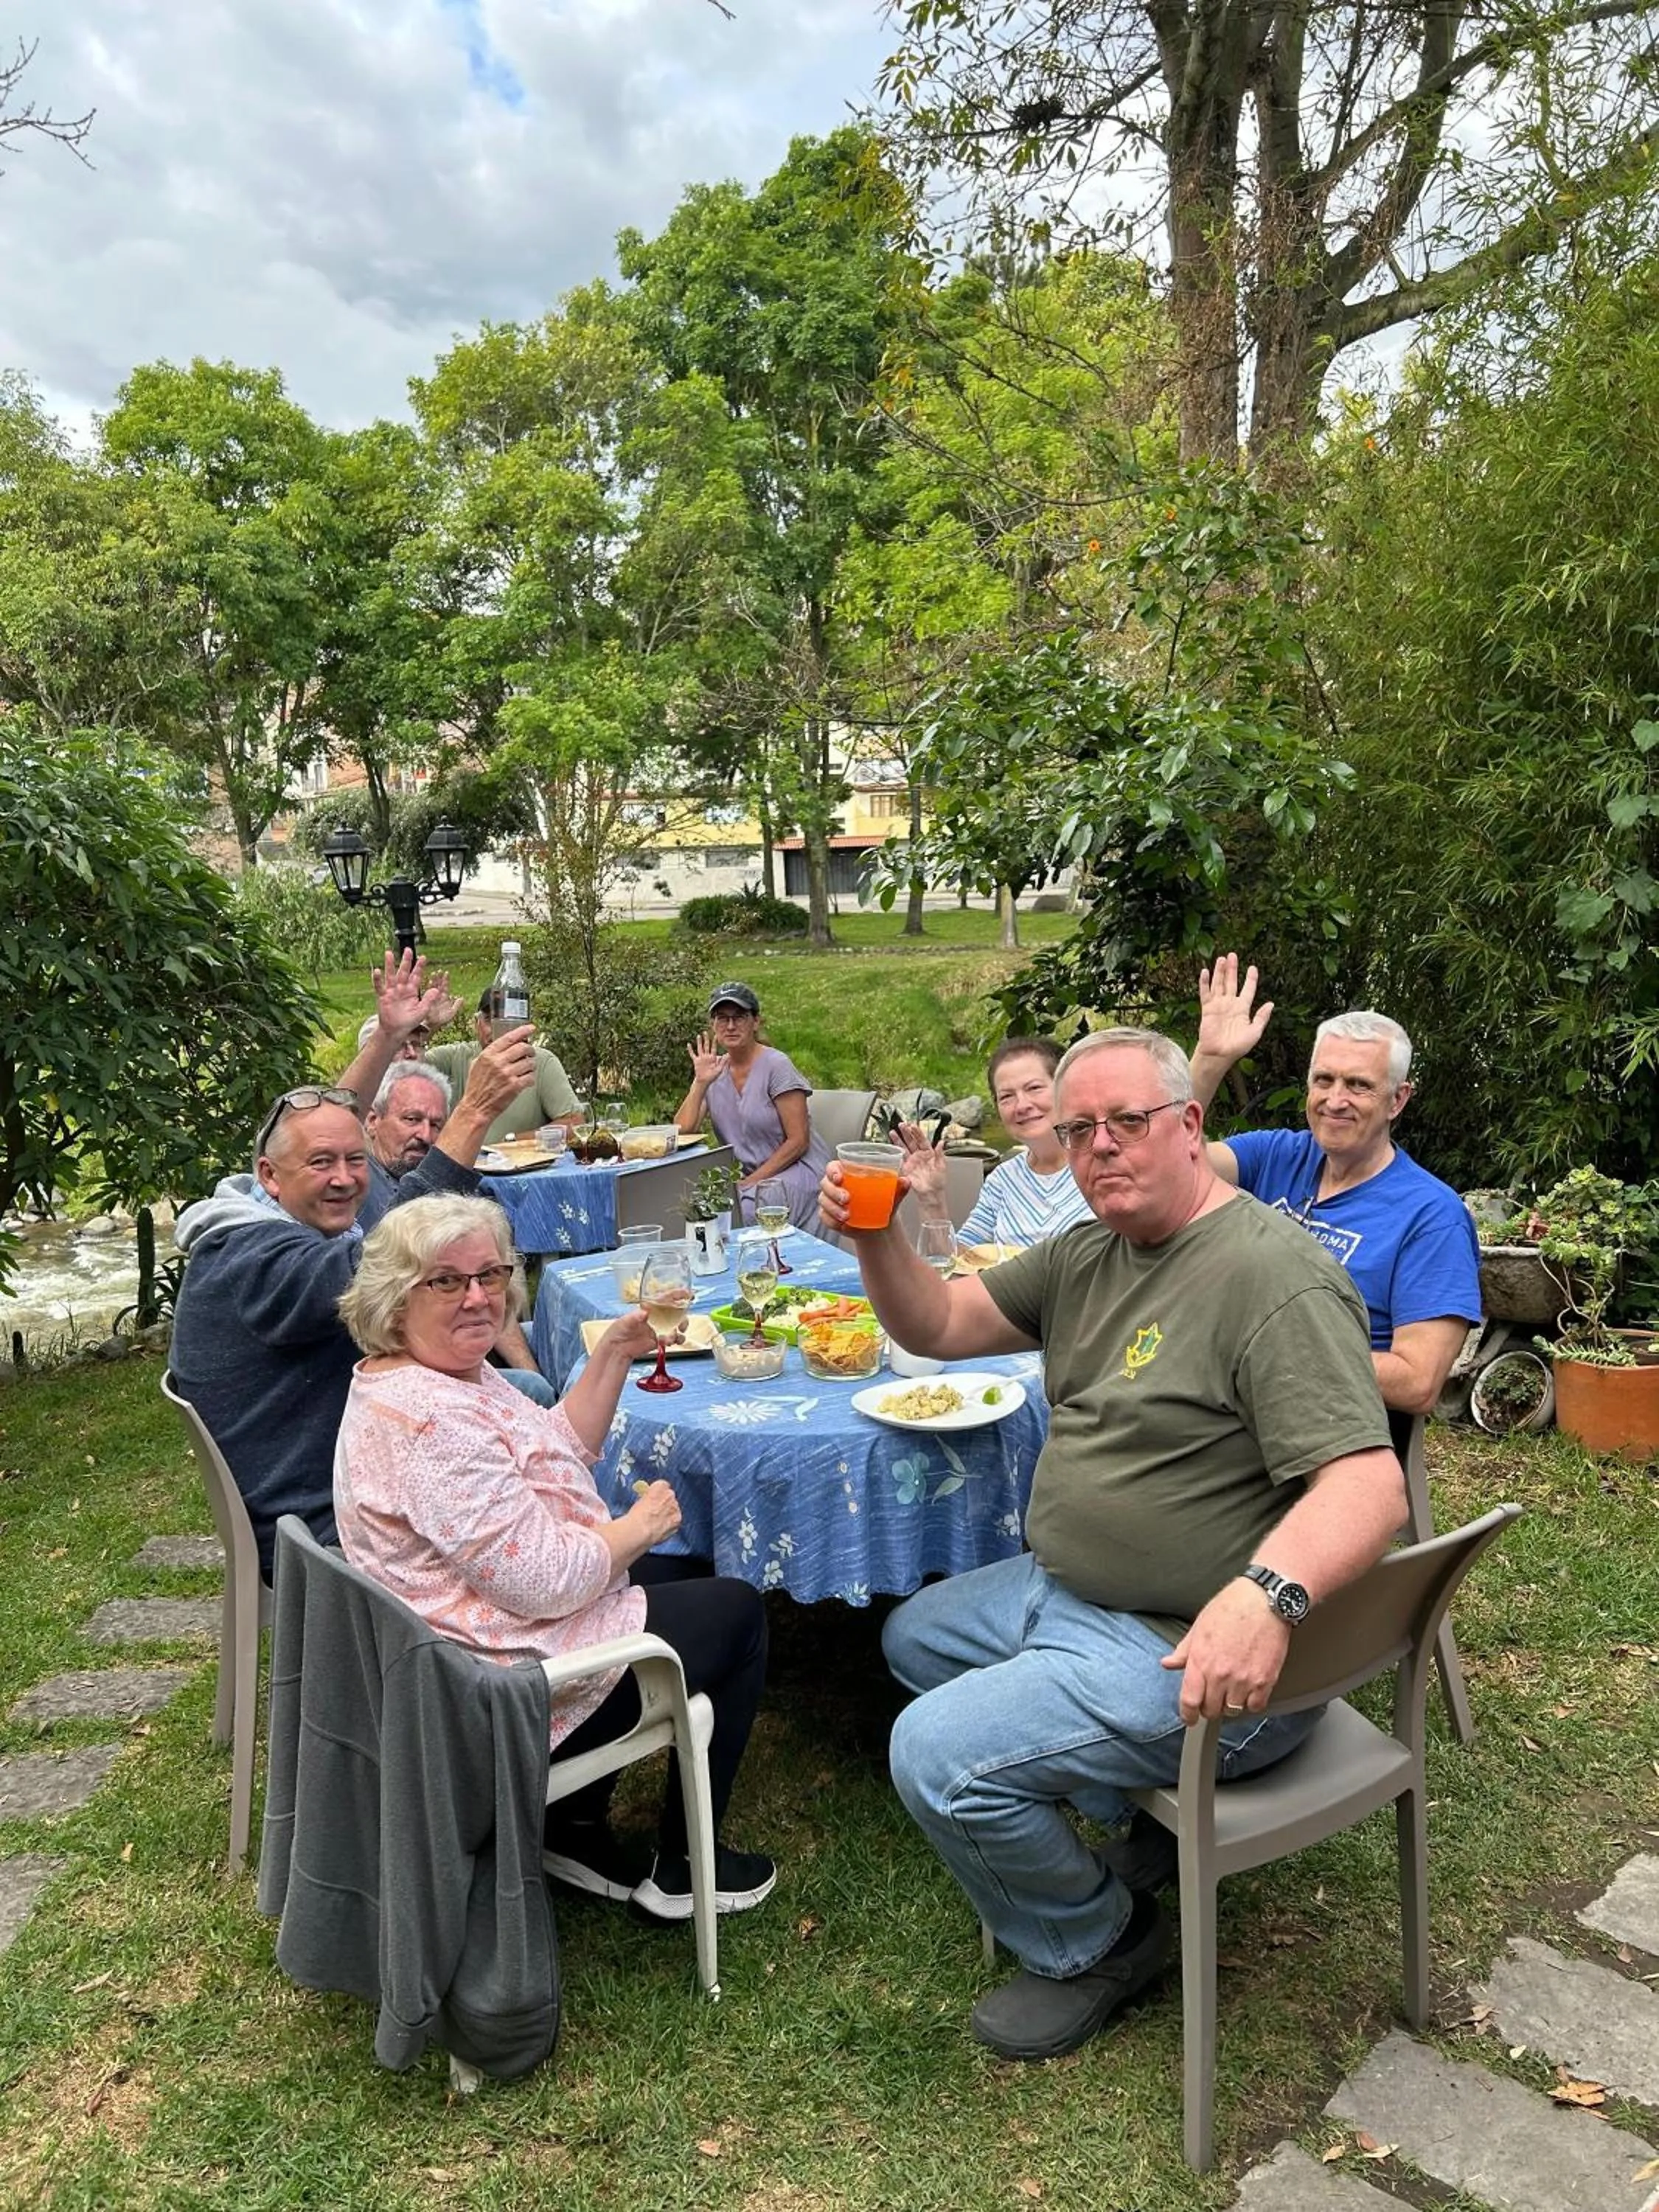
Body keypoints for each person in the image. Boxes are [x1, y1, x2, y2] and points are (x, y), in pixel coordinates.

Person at [819, 1026, 1402, 2062]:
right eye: (1080, 1127)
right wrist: (875, 1238)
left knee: (933, 1753)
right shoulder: (1091, 1251)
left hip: (1200, 1658)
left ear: (1187, 1126)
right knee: (914, 1639)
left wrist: (1263, 1594)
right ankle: (1126, 1818)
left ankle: (1099, 1937)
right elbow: (940, 1328)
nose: (1099, 1148)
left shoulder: (1272, 1279)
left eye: (1126, 1122)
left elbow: (1367, 1482)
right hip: (1073, 1596)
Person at [334, 1194, 777, 1922]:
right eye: (446, 1281)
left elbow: (551, 1447)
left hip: (478, 1636)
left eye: (490, 1275)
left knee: (693, 1576)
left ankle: (570, 1826)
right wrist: (639, 1526)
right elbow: (545, 1582)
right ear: (395, 1297)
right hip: (505, 1686)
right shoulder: (431, 1422)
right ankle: (687, 1869)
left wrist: (611, 1354)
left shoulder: (433, 1372)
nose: (478, 1297)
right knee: (739, 1612)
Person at [170, 955, 537, 1580]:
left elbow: (319, 1128)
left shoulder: (263, 1210)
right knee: (537, 1414)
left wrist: (390, 1037)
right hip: (318, 1521)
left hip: (333, 1455)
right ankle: (567, 1601)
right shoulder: (254, 1260)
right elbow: (390, 1258)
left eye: (355, 1159)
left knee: (528, 1399)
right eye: (321, 1165)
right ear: (271, 1177)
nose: (344, 1179)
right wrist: (472, 1113)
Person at [1191, 954, 1482, 1416]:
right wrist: (1210, 1062)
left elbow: (1418, 1382)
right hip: (1226, 1403)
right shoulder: (1274, 1156)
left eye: (1358, 1085)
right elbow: (1170, 1166)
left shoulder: (1431, 1216)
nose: (1335, 1100)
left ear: (1397, 1100)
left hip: (1330, 1425)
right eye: (1323, 1080)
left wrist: (1275, 1352)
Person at [365, 1060, 557, 1409]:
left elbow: (488, 1284)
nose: (425, 1135)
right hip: (425, 1377)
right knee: (536, 1389)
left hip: (472, 1340)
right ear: (373, 1121)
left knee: (562, 1339)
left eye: (436, 1124)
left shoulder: (448, 1191)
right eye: (411, 1119)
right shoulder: (364, 1193)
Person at [896, 1037, 1093, 1251]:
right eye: (1007, 1096)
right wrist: (931, 1197)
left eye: (1034, 1088)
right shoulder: (1003, 1179)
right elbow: (958, 1261)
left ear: (1067, 1089)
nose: (1022, 1105)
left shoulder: (1101, 1163)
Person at [673, 981, 830, 1232]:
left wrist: (750, 1183)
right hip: (748, 1180)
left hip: (796, 1171)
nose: (731, 1026)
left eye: (740, 1017)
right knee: (689, 1208)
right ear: (713, 1025)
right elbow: (679, 1132)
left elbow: (799, 1141)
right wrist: (700, 1083)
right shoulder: (714, 1072)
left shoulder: (777, 1066)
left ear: (755, 1022)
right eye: (722, 1018)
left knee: (738, 1215)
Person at [425, 988, 582, 1145]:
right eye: (489, 1020)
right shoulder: (453, 1057)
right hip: (458, 1168)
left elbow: (575, 1124)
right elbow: (405, 1071)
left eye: (507, 1022)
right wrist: (428, 1028)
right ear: (476, 1024)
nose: (498, 1031)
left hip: (520, 1167)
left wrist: (512, 1143)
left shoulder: (542, 1063)